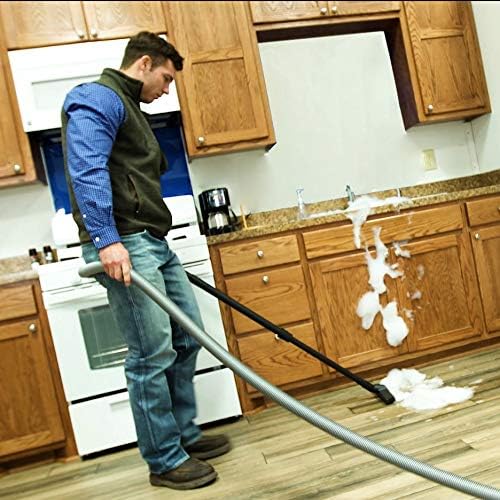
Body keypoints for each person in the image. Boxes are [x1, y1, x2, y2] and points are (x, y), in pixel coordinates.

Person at [61, 31, 230, 490]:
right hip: (125, 243)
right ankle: (164, 459)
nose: (167, 89)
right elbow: (87, 169)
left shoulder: (130, 108)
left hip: (152, 241)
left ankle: (182, 436)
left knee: (187, 337)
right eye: (167, 78)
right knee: (150, 353)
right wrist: (106, 240)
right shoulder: (99, 97)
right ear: (145, 63)